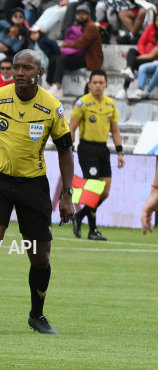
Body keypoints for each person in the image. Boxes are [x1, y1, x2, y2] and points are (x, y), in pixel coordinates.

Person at [0, 49, 75, 336]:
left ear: (40, 72)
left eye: (27, 68)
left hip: (33, 185)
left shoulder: (52, 107)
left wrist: (67, 194)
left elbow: (65, 149)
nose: (20, 72)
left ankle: (37, 315)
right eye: (16, 67)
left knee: (40, 256)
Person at [68, 69, 124, 241]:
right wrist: (68, 149)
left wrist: (120, 151)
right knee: (93, 189)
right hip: (87, 149)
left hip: (103, 149)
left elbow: (114, 129)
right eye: (95, 83)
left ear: (106, 84)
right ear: (89, 85)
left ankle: (79, 216)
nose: (98, 86)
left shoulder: (110, 104)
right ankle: (93, 230)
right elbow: (72, 127)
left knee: (105, 191)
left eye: (101, 82)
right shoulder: (82, 103)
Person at [46, 5, 103, 98]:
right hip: (78, 55)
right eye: (78, 14)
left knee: (61, 59)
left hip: (89, 58)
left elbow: (81, 43)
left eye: (83, 14)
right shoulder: (77, 26)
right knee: (54, 57)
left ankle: (57, 87)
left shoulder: (91, 27)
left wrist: (65, 46)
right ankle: (51, 84)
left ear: (89, 15)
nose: (81, 16)